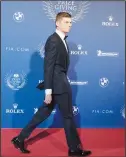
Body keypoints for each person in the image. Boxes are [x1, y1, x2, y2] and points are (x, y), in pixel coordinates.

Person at [11, 12, 91, 156]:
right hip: (59, 86)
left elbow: (54, 67)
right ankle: (74, 149)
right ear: (57, 23)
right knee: (67, 116)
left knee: (44, 112)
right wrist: (48, 91)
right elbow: (49, 66)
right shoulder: (53, 40)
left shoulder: (61, 40)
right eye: (66, 22)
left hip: (57, 84)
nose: (70, 25)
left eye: (70, 22)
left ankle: (19, 138)